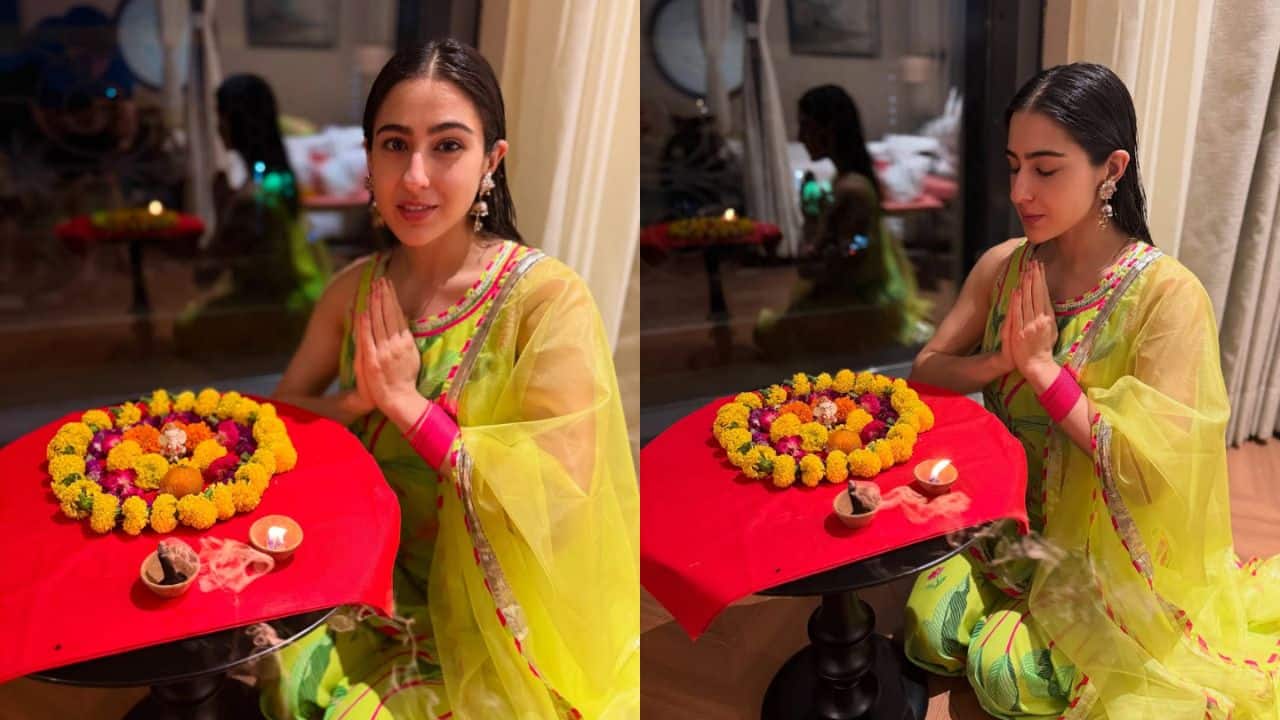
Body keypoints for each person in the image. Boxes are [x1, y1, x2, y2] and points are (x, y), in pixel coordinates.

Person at [263, 40, 638, 719]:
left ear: (491, 161)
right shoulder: (353, 291)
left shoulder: (544, 300)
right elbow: (280, 417)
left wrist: (408, 407)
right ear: (369, 159)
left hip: (490, 613)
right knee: (285, 681)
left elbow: (560, 492)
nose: (414, 177)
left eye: (447, 147)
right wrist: (357, 400)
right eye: (394, 144)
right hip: (365, 581)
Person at [904, 62, 1280, 718]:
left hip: (1104, 558)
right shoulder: (1005, 265)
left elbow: (1152, 477)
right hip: (1006, 524)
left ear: (1111, 169)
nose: (1021, 189)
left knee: (999, 677)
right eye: (1014, 164)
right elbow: (928, 369)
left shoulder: (1167, 296)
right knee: (927, 635)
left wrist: (1046, 375)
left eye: (1046, 169)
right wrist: (1000, 362)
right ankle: (1009, 608)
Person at [755, 84, 930, 360]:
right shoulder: (846, 182)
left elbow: (854, 251)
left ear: (829, 130)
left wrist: (817, 245)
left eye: (806, 126)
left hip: (856, 300)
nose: (800, 137)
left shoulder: (852, 188)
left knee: (770, 334)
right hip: (849, 288)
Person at [175, 74, 331, 355]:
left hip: (284, 313)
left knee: (186, 328)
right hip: (311, 300)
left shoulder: (253, 198)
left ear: (236, 121)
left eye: (219, 115)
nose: (216, 126)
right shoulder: (280, 179)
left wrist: (222, 210)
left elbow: (206, 274)